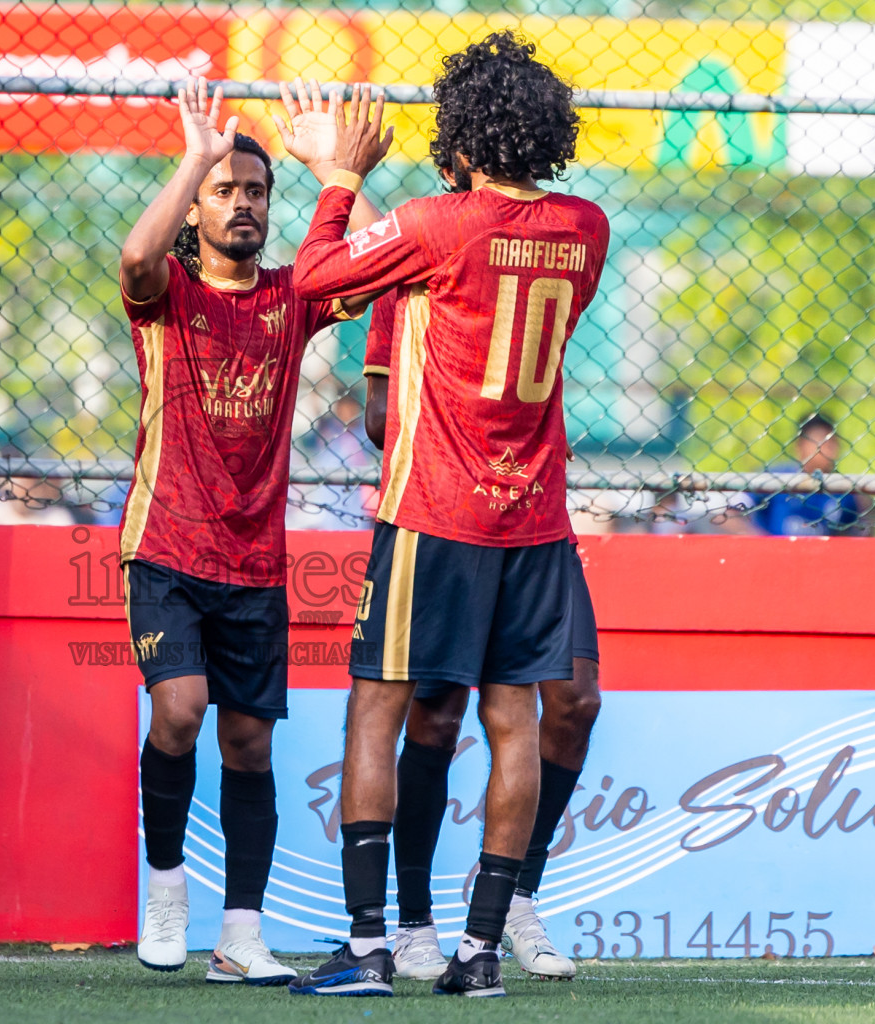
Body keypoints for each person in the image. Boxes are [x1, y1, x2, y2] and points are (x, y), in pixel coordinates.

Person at [285, 33, 610, 998]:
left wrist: (337, 176)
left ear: (458, 132)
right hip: (534, 519)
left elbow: (313, 279)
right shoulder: (586, 226)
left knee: (376, 712)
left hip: (436, 512)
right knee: (515, 720)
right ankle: (477, 953)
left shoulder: (437, 224)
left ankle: (368, 947)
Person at [117, 78, 381, 984]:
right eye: (226, 191)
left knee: (250, 744)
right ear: (196, 206)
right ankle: (163, 892)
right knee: (179, 712)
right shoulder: (169, 293)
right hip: (165, 548)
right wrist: (194, 152)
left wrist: (333, 170)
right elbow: (132, 257)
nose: (243, 204)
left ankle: (240, 933)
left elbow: (387, 259)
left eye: (257, 192)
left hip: (255, 561)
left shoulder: (294, 293)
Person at [362, 296, 602, 982]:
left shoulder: (540, 250)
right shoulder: (410, 277)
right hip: (448, 521)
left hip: (535, 521)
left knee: (576, 700)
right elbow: (381, 420)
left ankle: (515, 901)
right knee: (435, 718)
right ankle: (412, 923)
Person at [748, 415, 864, 536]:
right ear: (800, 446)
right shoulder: (776, 476)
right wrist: (760, 542)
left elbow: (854, 526)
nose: (829, 448)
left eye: (833, 441)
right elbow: (733, 509)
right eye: (821, 441)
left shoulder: (841, 488)